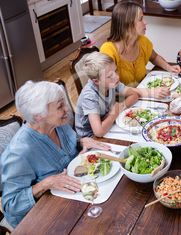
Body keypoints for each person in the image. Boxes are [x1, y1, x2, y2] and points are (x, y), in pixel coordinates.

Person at [0, 81, 111, 229]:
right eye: (60, 106)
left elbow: (66, 148)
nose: (67, 108)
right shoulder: (19, 152)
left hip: (76, 195)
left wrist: (80, 142)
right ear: (38, 115)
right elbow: (10, 206)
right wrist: (45, 184)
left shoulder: (58, 124)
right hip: (45, 216)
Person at [100, 1, 181, 89]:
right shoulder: (108, 50)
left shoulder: (142, 41)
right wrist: (146, 93)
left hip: (142, 94)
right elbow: (110, 88)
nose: (145, 22)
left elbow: (154, 57)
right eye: (140, 19)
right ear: (127, 24)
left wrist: (168, 67)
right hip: (122, 100)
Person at [75, 52, 141, 138]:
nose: (117, 76)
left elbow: (134, 95)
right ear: (96, 81)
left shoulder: (112, 82)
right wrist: (114, 113)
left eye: (116, 71)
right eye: (110, 75)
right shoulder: (89, 96)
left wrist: (119, 108)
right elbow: (99, 132)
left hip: (108, 124)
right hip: (90, 137)